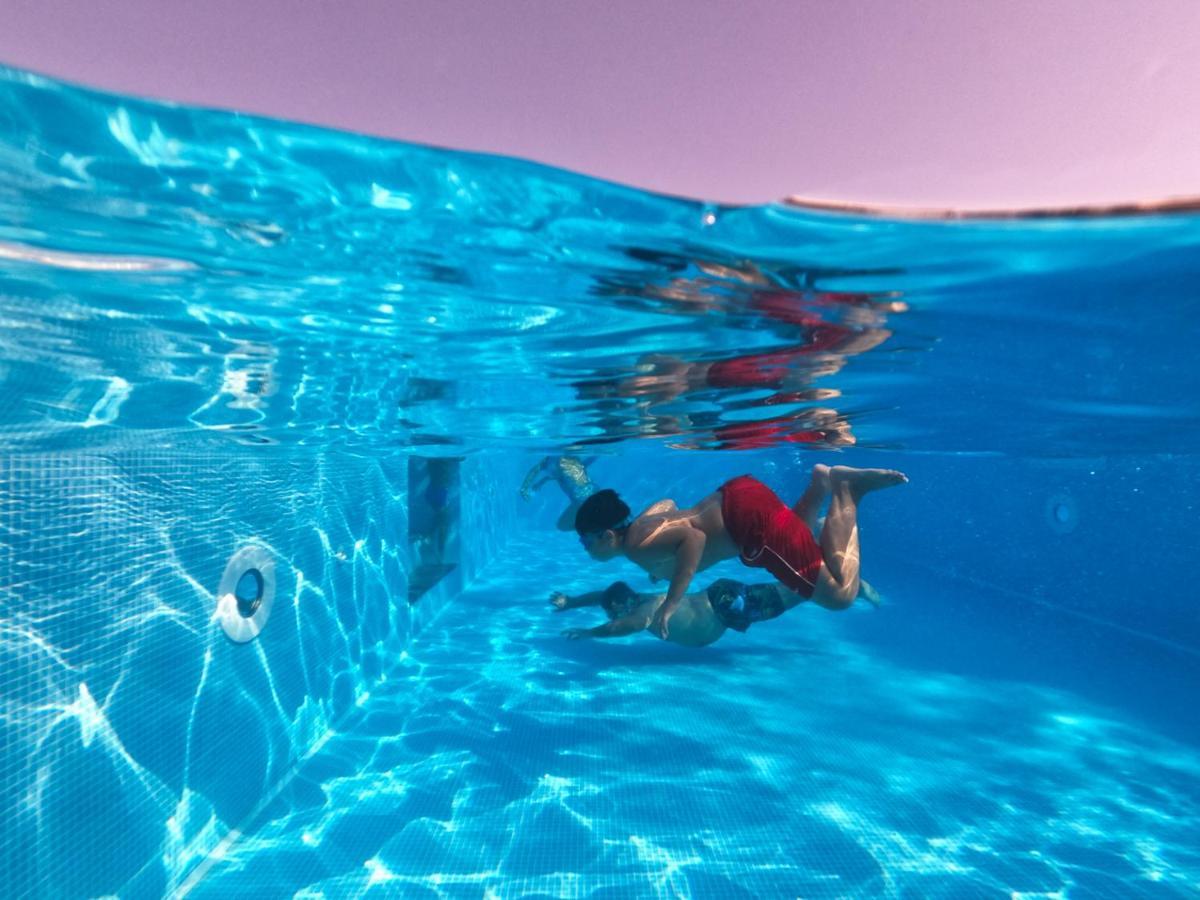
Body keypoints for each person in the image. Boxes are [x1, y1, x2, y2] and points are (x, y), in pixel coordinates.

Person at [575, 464, 907, 639]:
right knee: (799, 539)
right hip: (738, 493)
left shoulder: (634, 547)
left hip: (747, 525)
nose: (586, 549)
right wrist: (663, 560)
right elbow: (669, 505)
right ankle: (819, 483)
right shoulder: (642, 526)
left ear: (606, 536)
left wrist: (671, 602)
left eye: (585, 541)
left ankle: (848, 490)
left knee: (839, 596)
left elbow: (694, 540)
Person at [521, 455, 596, 531]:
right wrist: (542, 481)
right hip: (595, 492)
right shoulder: (572, 458)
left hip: (581, 500)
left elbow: (535, 470)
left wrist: (524, 488)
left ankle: (593, 527)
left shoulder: (549, 460)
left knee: (562, 526)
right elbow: (564, 473)